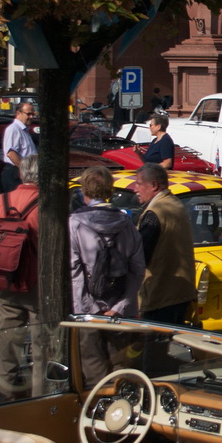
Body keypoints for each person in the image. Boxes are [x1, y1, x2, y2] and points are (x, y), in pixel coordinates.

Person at [70, 165, 145, 386]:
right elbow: (137, 269)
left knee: (93, 370)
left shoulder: (74, 224)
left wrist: (90, 309)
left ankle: (98, 412)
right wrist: (120, 307)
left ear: (84, 193)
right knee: (121, 369)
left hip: (87, 313)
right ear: (111, 191)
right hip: (120, 310)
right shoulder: (128, 225)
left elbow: (74, 273)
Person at [0, 154, 41, 396]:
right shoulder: (49, 205)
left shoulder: (0, 201)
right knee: (43, 350)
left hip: (4, 282)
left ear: (22, 174)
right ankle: (41, 403)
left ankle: (7, 399)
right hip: (38, 285)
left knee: (7, 349)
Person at [131, 163, 197, 324]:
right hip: (179, 293)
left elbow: (140, 256)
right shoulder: (175, 203)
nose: (135, 189)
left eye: (139, 183)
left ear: (153, 185)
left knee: (153, 347)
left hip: (161, 296)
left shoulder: (156, 212)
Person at [1, 101, 37, 195]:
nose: (31, 117)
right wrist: (24, 170)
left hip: (24, 173)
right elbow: (11, 153)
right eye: (28, 114)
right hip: (16, 173)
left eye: (33, 114)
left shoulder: (24, 130)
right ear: (18, 113)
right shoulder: (14, 129)